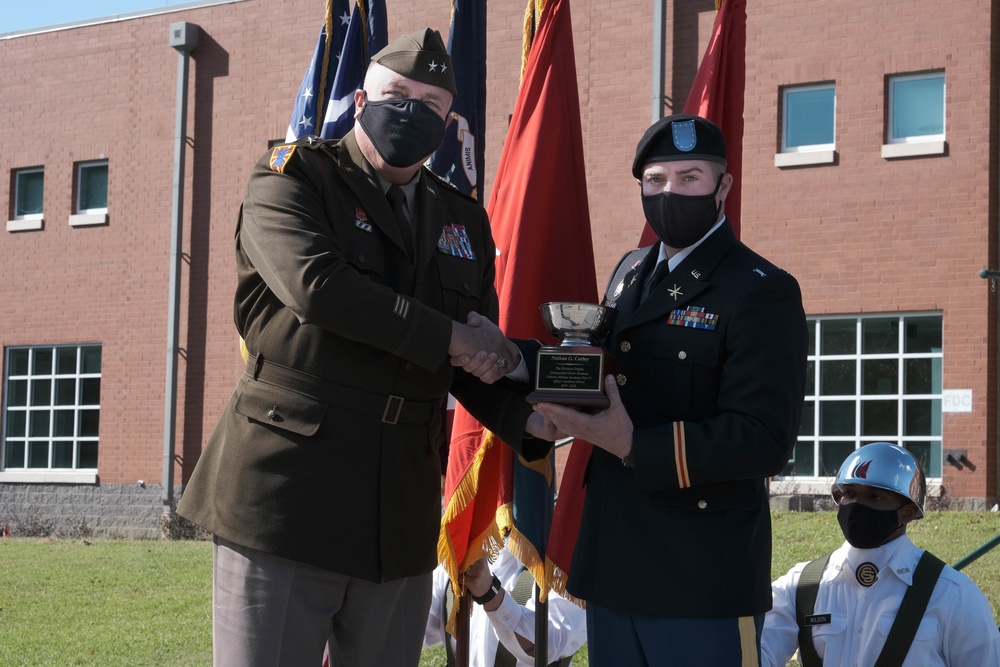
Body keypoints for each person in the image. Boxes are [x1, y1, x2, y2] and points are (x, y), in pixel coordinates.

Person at [176, 28, 555, 667]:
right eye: (398, 95)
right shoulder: (293, 179)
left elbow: (468, 360)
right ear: (360, 100)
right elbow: (320, 290)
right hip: (289, 494)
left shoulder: (461, 217)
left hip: (397, 509)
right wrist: (456, 337)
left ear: (448, 121)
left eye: (432, 104)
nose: (413, 112)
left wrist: (533, 421)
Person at [520, 113, 809, 666]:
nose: (669, 192)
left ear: (723, 186)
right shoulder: (630, 272)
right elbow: (602, 371)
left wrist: (635, 446)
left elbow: (764, 437)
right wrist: (515, 358)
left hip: (700, 576)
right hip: (613, 565)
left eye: (689, 178)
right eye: (655, 181)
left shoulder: (760, 290)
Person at [761, 442, 1000, 667]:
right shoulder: (801, 586)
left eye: (875, 497)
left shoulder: (952, 594)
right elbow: (755, 653)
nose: (855, 505)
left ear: (907, 512)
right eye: (849, 493)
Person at [421, 540, 587, 667]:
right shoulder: (455, 558)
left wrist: (490, 594)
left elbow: (550, 644)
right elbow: (408, 627)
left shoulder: (563, 559)